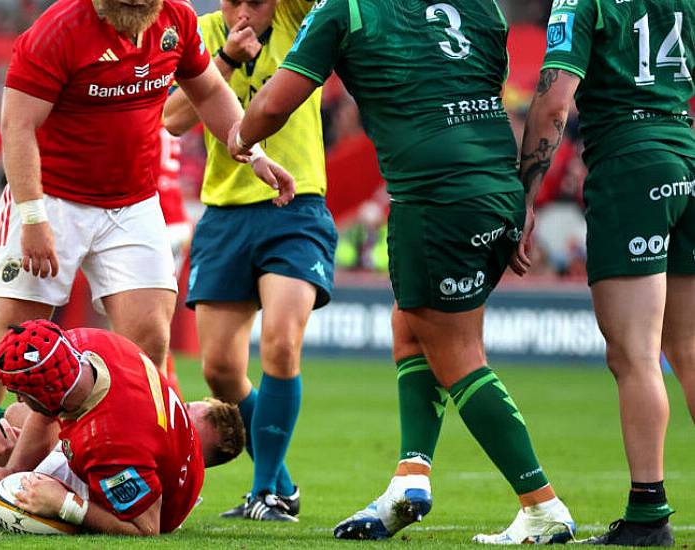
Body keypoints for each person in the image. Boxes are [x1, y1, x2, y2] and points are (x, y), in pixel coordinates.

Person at [230, 0, 577, 543]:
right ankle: (409, 479)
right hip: (496, 188)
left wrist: (241, 137)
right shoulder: (481, 6)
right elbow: (482, 85)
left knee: (459, 354)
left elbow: (275, 104)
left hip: (435, 198)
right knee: (410, 328)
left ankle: (541, 503)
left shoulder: (345, 9)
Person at [0, 0, 295, 408]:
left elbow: (210, 90)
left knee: (149, 341)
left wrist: (251, 150)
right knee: (9, 341)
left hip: (133, 205)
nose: (135, 1)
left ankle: (116, 459)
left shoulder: (176, 20)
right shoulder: (57, 30)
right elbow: (17, 125)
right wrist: (33, 216)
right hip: (54, 200)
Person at [516, 0, 694, 545]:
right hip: (684, 156)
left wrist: (524, 195)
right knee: (686, 347)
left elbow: (554, 101)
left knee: (634, 353)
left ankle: (647, 513)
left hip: (630, 168)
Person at [161, 0, 335, 522]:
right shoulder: (204, 32)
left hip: (295, 206)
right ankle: (281, 486)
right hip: (224, 214)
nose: (242, 11)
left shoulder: (298, 20)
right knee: (219, 371)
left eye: (254, 2)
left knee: (281, 344)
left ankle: (266, 493)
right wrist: (227, 59)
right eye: (232, 0)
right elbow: (171, 119)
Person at [0, 320, 246, 535]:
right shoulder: (87, 344)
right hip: (118, 444)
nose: (18, 398)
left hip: (127, 491)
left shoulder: (111, 444)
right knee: (16, 429)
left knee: (13, 485)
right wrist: (13, 466)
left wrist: (67, 505)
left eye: (21, 392)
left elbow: (146, 528)